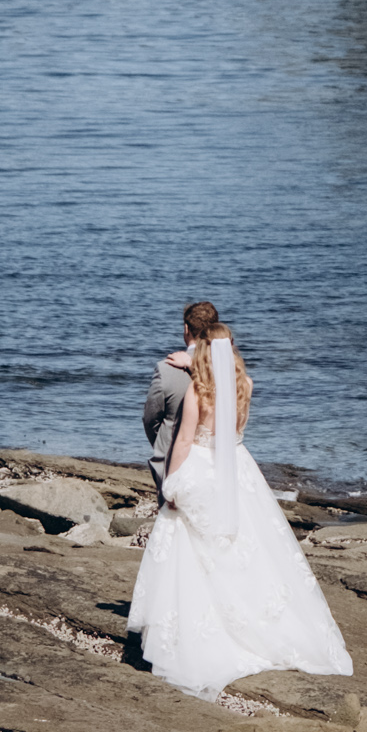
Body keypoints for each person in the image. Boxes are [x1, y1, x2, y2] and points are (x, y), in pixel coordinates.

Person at [128, 298, 353, 702]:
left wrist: (173, 483)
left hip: (201, 465)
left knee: (188, 547)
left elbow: (183, 440)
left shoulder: (199, 391)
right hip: (238, 467)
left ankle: (190, 630)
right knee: (247, 546)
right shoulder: (245, 386)